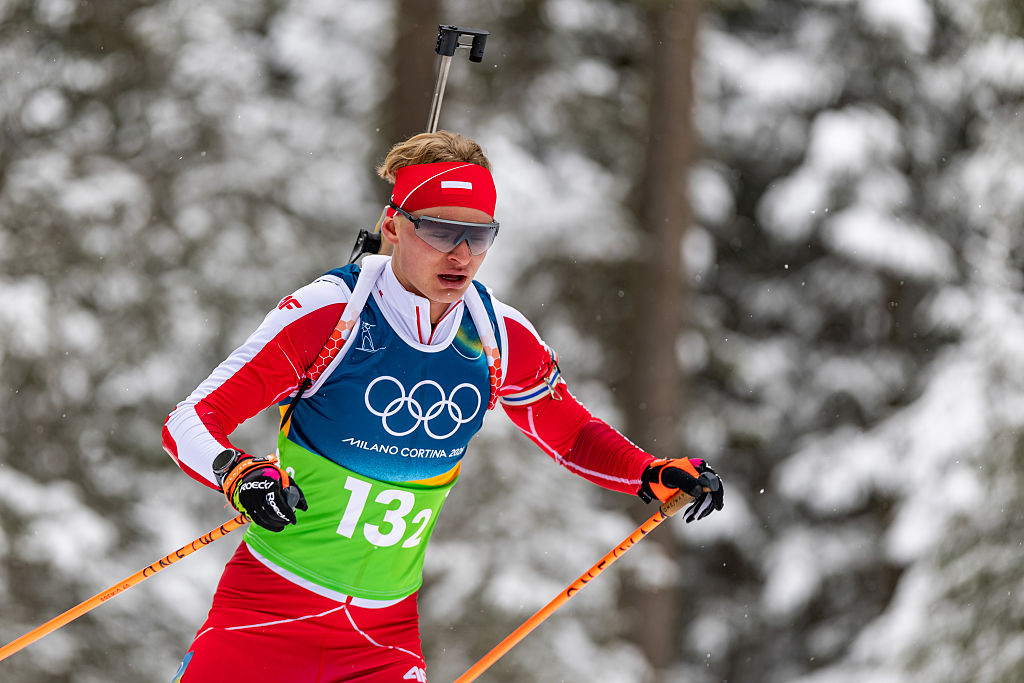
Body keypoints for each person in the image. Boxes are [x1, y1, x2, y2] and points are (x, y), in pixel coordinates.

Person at [162, 130, 724, 683]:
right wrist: (238, 474)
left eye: (478, 237)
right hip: (266, 613)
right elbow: (188, 422)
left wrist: (648, 473)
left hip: (381, 639)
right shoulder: (332, 315)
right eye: (437, 230)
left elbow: (571, 433)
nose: (460, 254)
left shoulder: (497, 336)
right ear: (392, 226)